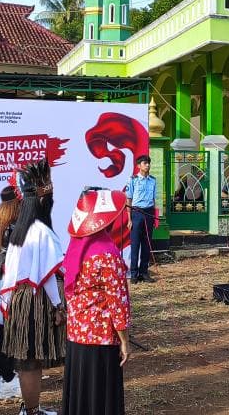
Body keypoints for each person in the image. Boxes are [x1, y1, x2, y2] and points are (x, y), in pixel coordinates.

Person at [0, 160, 65, 415]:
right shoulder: (41, 232)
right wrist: (59, 305)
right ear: (42, 201)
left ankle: (31, 408)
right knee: (31, 361)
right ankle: (32, 411)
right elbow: (47, 276)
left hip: (19, 299)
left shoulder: (20, 231)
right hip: (37, 301)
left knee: (27, 360)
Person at [62, 189, 130, 415]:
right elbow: (117, 300)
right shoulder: (108, 254)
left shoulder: (75, 247)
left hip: (76, 334)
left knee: (80, 392)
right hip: (101, 336)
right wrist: (124, 340)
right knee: (101, 395)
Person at [0, 186, 22, 400]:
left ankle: (4, 376)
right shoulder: (12, 226)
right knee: (8, 331)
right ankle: (8, 377)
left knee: (3, 331)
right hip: (8, 282)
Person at [124, 155, 156, 283]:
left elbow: (154, 199)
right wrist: (129, 219)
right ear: (138, 166)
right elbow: (129, 199)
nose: (147, 165)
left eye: (148, 163)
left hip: (149, 212)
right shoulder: (133, 180)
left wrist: (155, 217)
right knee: (135, 244)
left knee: (147, 244)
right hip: (136, 213)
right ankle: (133, 274)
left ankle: (144, 272)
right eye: (144, 163)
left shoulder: (153, 180)